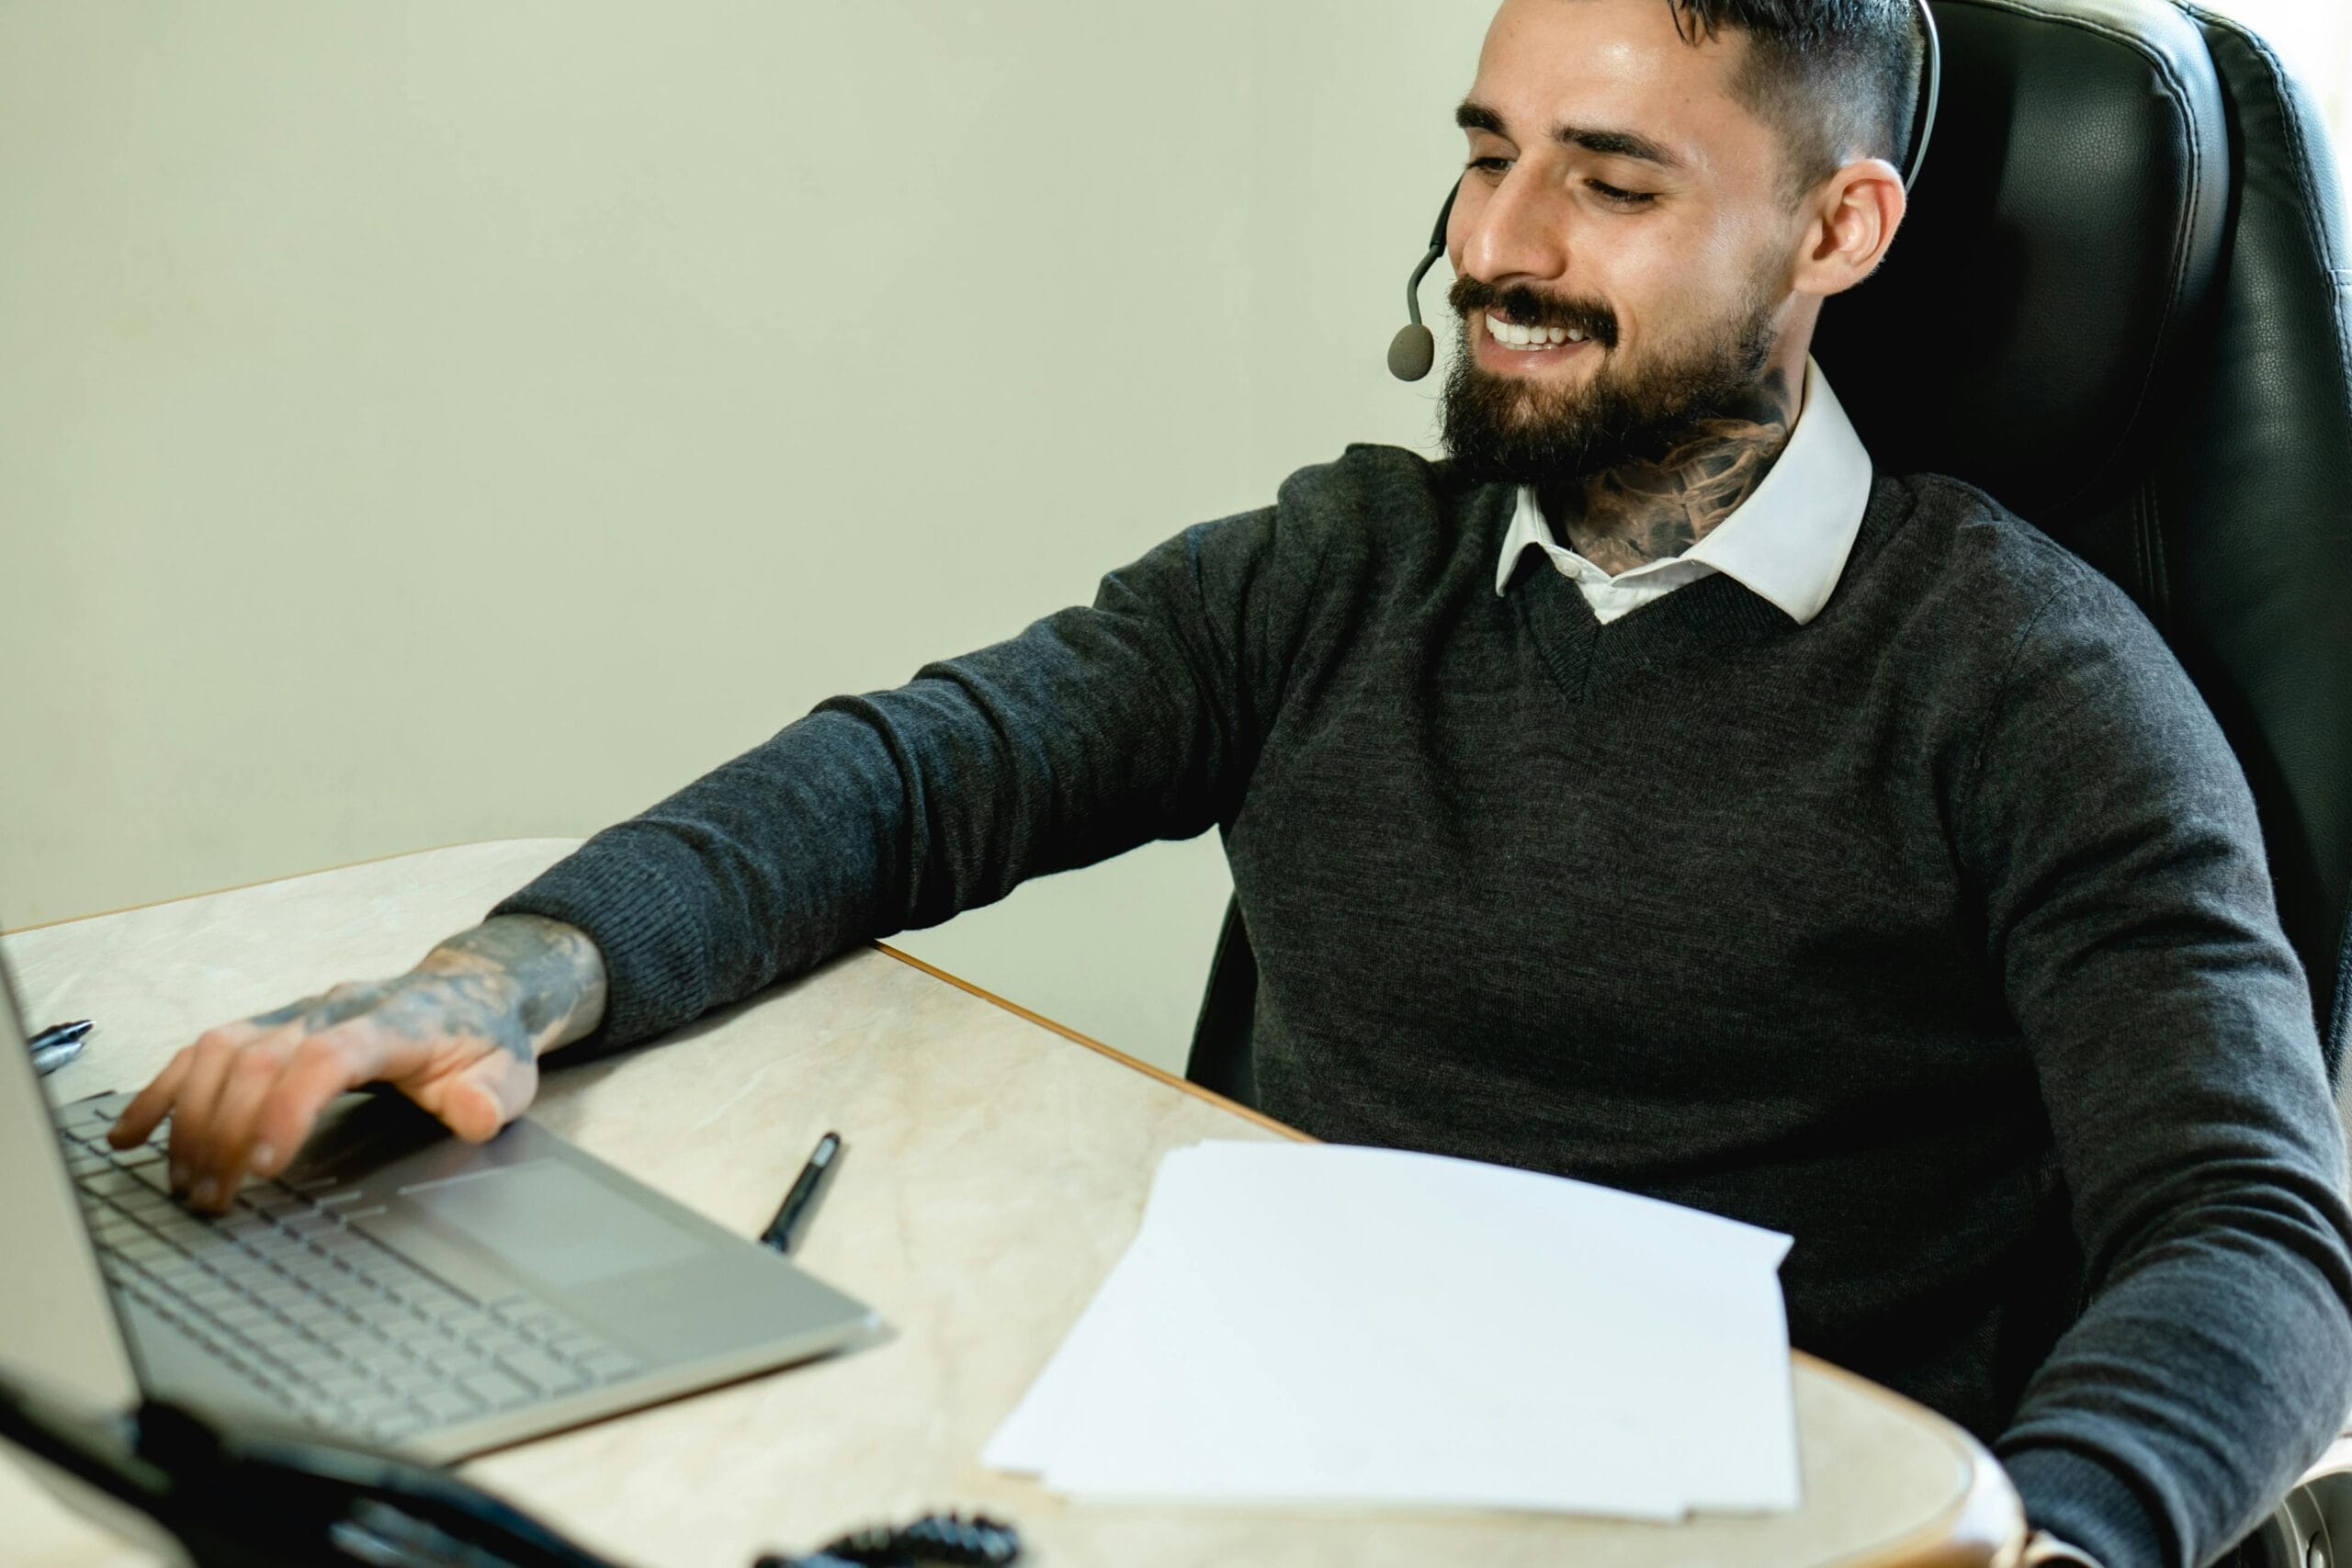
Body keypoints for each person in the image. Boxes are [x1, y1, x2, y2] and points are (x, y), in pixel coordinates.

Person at [107, 1, 2352, 1563]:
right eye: (1482, 155)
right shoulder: (1341, 568)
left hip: (1772, 1517)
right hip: (1277, 1476)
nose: (1496, 248)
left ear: (1836, 233)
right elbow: (918, 770)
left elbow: (2247, 1231)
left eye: (1609, 181)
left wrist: (2046, 1542)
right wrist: (508, 979)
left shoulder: (2030, 681)